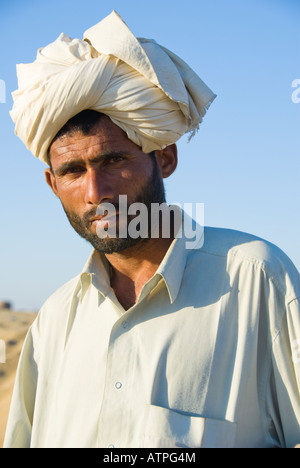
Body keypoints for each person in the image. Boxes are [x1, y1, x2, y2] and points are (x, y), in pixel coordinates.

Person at [4, 11, 300, 449]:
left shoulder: (257, 279)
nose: (95, 192)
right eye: (72, 171)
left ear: (164, 158)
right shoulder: (54, 321)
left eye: (113, 161)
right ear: (52, 184)